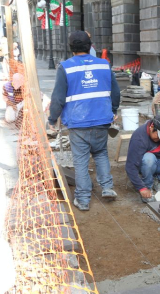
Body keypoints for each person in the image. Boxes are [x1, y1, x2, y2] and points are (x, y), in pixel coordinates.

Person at [48, 31, 120, 211]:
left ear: (71, 48)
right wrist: (113, 110)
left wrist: (52, 118)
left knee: (80, 161)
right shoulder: (104, 64)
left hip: (78, 122)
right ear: (90, 46)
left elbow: (58, 97)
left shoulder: (65, 67)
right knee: (101, 153)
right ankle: (107, 188)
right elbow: (115, 91)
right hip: (102, 119)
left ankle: (83, 198)